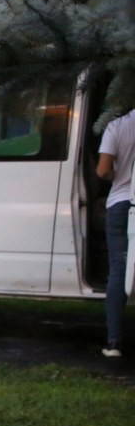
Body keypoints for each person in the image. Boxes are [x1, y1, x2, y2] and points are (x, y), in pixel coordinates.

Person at [97, 108, 135, 358]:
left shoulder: (117, 126)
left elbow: (102, 170)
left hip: (122, 203)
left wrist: (116, 175)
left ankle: (114, 343)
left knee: (118, 271)